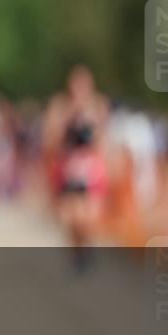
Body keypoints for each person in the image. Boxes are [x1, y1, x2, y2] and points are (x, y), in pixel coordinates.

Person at [42, 65, 109, 272]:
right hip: (68, 169)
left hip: (90, 169)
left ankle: (85, 248)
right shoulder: (59, 105)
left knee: (88, 217)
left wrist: (89, 121)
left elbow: (102, 139)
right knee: (70, 218)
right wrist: (68, 119)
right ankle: (77, 252)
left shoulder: (98, 105)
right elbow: (50, 141)